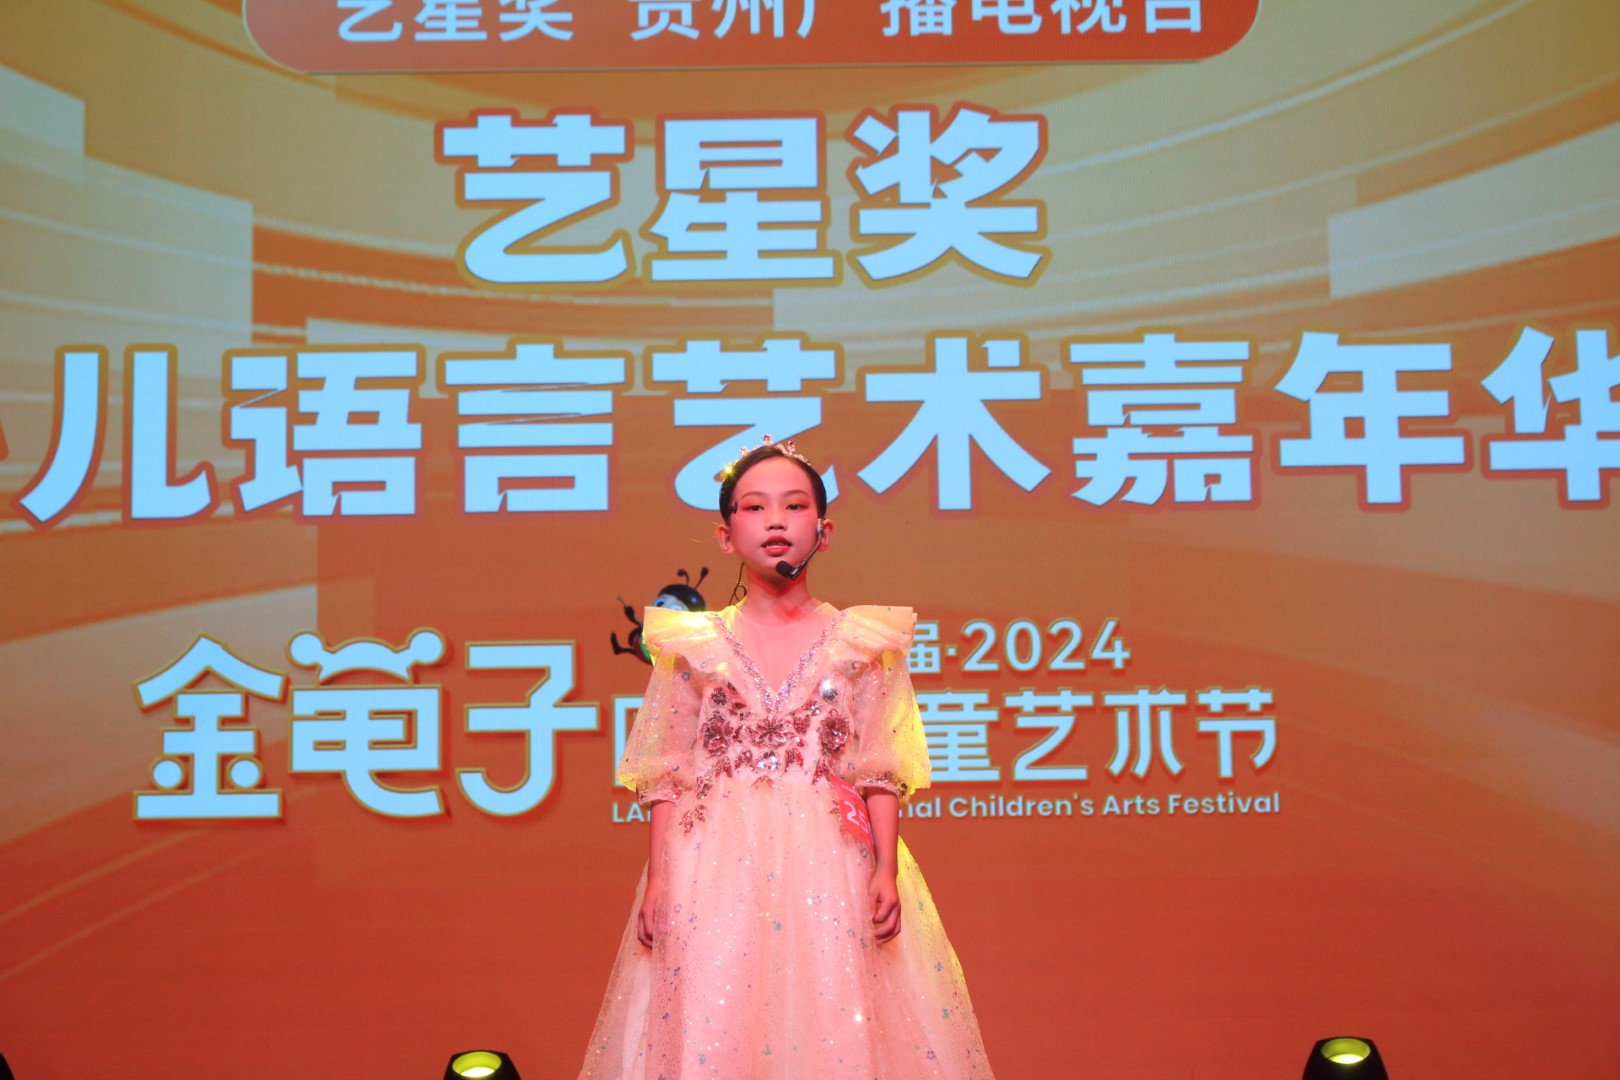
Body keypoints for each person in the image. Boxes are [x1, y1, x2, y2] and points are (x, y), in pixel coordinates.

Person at [578, 438, 995, 1079]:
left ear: (824, 531)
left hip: (832, 858)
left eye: (795, 506)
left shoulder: (864, 642)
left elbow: (880, 768)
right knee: (714, 1018)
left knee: (834, 1016)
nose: (776, 521)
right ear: (726, 536)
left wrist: (886, 869)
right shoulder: (692, 645)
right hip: (710, 863)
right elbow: (666, 774)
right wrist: (659, 878)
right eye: (755, 507)